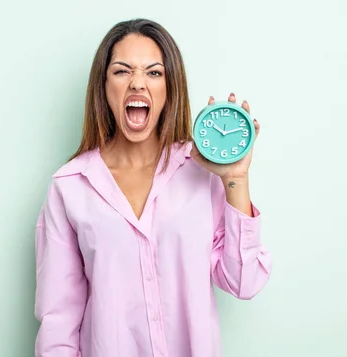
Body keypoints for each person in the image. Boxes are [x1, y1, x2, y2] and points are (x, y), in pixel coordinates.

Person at [34, 18, 272, 357]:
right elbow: (58, 322)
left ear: (169, 87)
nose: (137, 84)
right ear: (103, 86)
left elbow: (243, 281)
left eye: (153, 72)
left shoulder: (202, 172)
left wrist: (235, 178)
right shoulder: (70, 187)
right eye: (121, 71)